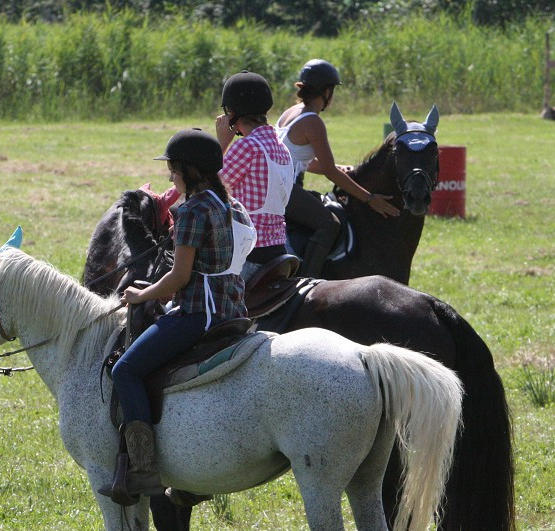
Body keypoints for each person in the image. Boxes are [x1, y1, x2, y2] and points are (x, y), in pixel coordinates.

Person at [100, 129, 253, 506]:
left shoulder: (191, 210)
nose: (170, 176)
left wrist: (140, 293)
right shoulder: (225, 203)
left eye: (172, 169)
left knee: (125, 371)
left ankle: (143, 469)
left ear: (186, 169)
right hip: (232, 307)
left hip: (198, 314)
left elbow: (179, 278)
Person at [275, 59, 400, 277]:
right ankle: (307, 281)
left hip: (277, 185)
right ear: (326, 91)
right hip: (285, 191)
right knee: (329, 224)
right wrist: (370, 198)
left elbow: (299, 161)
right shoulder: (313, 121)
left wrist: (341, 168)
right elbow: (330, 171)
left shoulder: (291, 112)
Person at [215, 71, 295, 271]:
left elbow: (206, 190)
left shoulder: (247, 146)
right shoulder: (281, 148)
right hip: (277, 247)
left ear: (232, 114)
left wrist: (221, 144)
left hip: (249, 251)